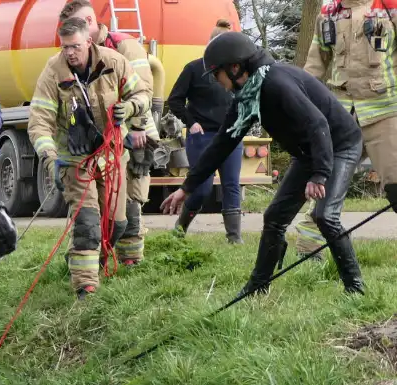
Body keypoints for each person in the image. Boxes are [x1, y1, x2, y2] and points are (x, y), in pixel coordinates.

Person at [162, 31, 366, 297]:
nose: (215, 81)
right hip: (308, 151)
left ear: (235, 67)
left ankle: (355, 289)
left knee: (325, 216)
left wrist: (319, 174)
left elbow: (318, 125)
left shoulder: (276, 83)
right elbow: (222, 144)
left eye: (216, 73)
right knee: (274, 219)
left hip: (339, 145)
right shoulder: (248, 95)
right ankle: (258, 286)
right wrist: (187, 187)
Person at [29, 17, 152, 299]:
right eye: (64, 47)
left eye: (74, 46)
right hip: (74, 162)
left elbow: (143, 93)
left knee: (116, 223)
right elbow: (39, 122)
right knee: (86, 222)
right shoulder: (52, 72)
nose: (69, 53)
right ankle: (86, 289)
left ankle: (87, 261)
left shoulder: (114, 62)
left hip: (111, 158)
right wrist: (50, 159)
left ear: (88, 41)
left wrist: (131, 107)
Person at [60, 0, 158, 265]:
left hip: (135, 131)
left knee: (131, 198)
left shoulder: (125, 46)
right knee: (102, 202)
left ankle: (131, 261)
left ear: (90, 23)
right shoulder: (80, 52)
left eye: (79, 25)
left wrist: (137, 129)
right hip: (105, 136)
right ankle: (98, 256)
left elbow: (143, 91)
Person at [301, 0, 397, 258]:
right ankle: (310, 251)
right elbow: (314, 66)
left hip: (385, 111)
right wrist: (297, 101)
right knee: (326, 185)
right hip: (341, 114)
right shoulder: (328, 12)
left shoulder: (390, 6)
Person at [167, 19, 245, 244]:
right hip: (203, 137)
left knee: (231, 185)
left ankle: (234, 238)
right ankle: (180, 229)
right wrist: (190, 122)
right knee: (202, 189)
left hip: (230, 136)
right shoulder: (194, 69)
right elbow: (175, 100)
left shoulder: (236, 72)